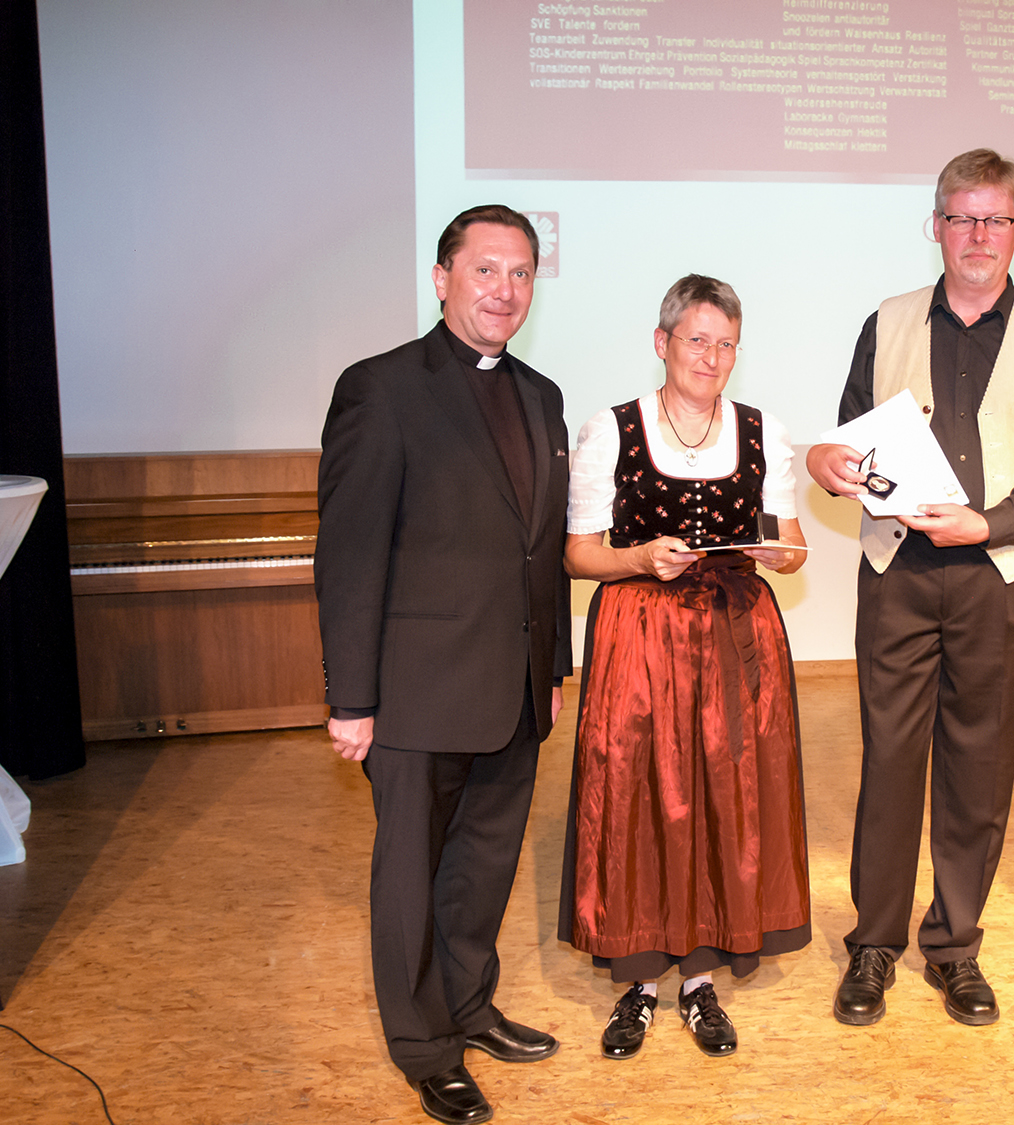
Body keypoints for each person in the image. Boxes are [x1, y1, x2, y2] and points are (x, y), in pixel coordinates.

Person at [804, 149, 1014, 1027]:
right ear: (935, 225)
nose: (979, 235)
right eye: (963, 218)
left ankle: (955, 945)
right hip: (898, 574)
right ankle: (874, 942)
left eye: (995, 219)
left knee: (981, 765)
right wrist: (831, 463)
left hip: (999, 577)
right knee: (890, 759)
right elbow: (852, 438)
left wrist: (992, 522)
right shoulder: (887, 320)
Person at [316, 204, 571, 1125]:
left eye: (521, 273)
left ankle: (468, 1006)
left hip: (514, 688)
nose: (505, 290)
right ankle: (424, 1045)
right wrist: (352, 698)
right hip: (415, 692)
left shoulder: (541, 394)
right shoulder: (380, 388)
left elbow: (541, 549)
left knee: (483, 864)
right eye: (485, 270)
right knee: (411, 873)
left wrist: (552, 667)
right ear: (442, 278)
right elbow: (349, 552)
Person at [558, 274, 811, 1060]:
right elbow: (578, 554)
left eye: (726, 343)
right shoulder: (613, 429)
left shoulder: (763, 430)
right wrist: (638, 557)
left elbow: (794, 546)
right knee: (640, 792)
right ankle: (639, 982)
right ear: (662, 342)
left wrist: (783, 553)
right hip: (640, 635)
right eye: (697, 339)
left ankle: (699, 980)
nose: (712, 356)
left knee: (722, 794)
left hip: (735, 634)